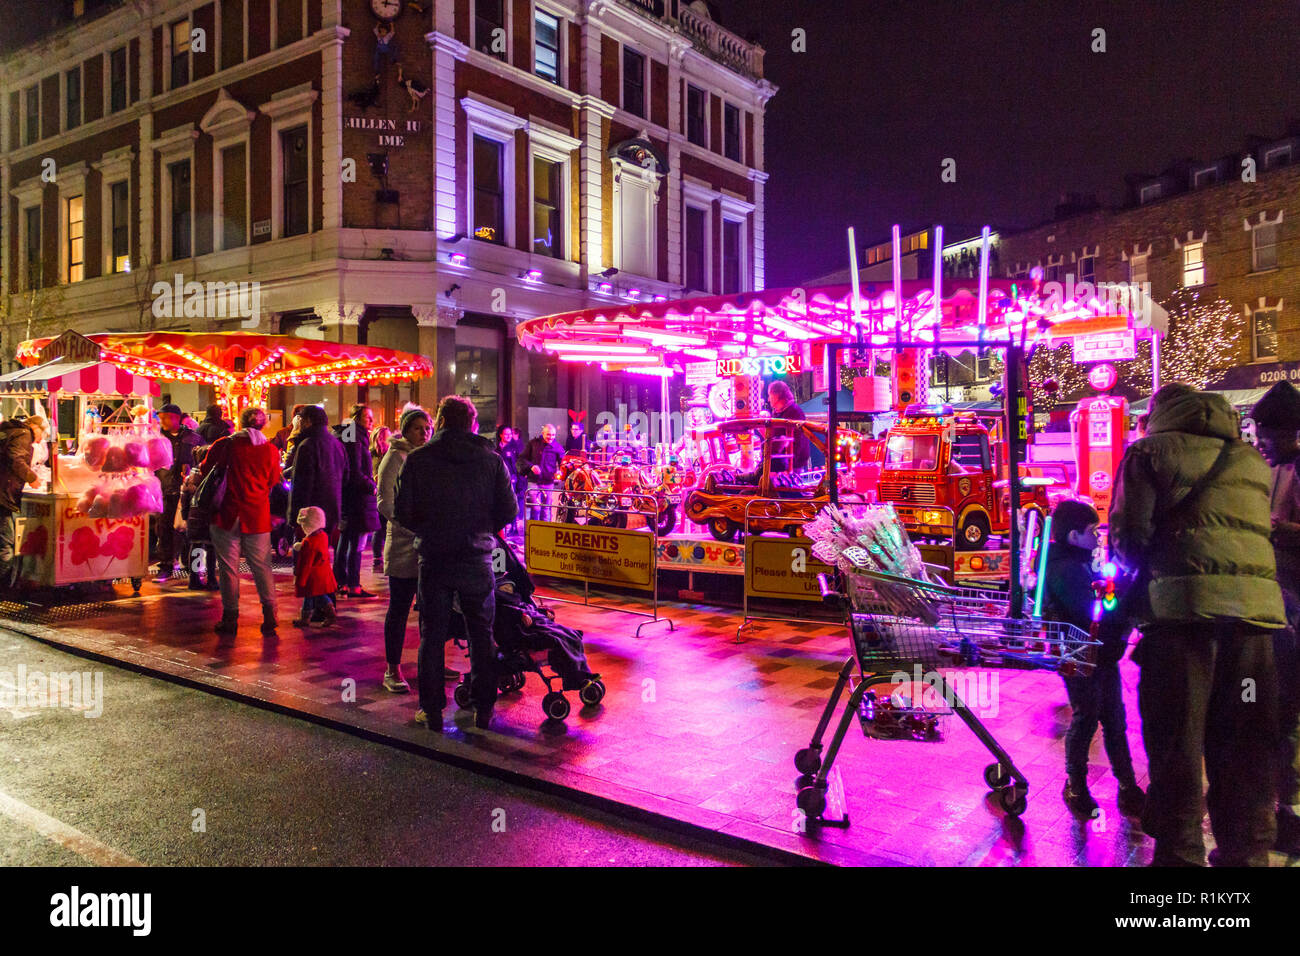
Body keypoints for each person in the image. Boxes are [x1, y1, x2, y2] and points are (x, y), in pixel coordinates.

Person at [1110, 383, 1283, 867]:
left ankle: (1180, 855)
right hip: (1251, 636)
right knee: (1244, 739)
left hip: (1183, 629)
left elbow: (1129, 538)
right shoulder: (1250, 460)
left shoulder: (1148, 453)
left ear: (1159, 416)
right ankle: (1246, 851)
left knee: (1179, 740)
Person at [395, 396, 516, 731]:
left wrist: (430, 529)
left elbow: (403, 511)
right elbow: (509, 510)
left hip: (434, 557)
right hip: (477, 557)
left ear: (441, 421)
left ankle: (431, 710)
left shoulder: (419, 460)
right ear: (471, 424)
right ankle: (484, 708)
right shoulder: (490, 460)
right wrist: (481, 529)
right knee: (481, 633)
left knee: (432, 635)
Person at [1043, 498, 1145, 819]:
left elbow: (1104, 602)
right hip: (1079, 655)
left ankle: (1127, 786)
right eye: (1092, 532)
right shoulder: (1063, 568)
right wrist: (1125, 591)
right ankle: (1075, 786)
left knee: (1115, 719)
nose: (1097, 538)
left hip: (1101, 653)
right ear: (1074, 535)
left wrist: (1113, 591)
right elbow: (1089, 610)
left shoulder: (1081, 561)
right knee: (1087, 718)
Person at [1249, 380, 1300, 855]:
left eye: (1265, 431)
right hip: (1279, 601)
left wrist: (1281, 531)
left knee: (1283, 712)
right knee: (1278, 713)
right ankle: (1283, 808)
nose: (1259, 439)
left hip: (1292, 604)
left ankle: (1288, 812)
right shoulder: (1278, 467)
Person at [199, 407, 283, 636]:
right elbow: (273, 480)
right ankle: (269, 614)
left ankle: (230, 616)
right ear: (264, 425)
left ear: (240, 421)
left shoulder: (225, 445)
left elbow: (206, 469)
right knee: (262, 567)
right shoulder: (270, 450)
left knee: (228, 568)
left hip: (226, 513)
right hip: (256, 516)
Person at [377, 406, 433, 693]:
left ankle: (431, 662)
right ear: (405, 430)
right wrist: (410, 527)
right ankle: (392, 667)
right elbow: (385, 503)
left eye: (427, 428)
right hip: (403, 544)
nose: (424, 433)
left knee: (432, 609)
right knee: (399, 607)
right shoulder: (394, 457)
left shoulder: (427, 457)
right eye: (417, 428)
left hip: (428, 544)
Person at [333, 404, 381, 598]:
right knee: (356, 541)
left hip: (347, 495)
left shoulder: (347, 434)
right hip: (357, 497)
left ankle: (342, 582)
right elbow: (355, 469)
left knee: (345, 539)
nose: (371, 421)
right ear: (356, 418)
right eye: (367, 417)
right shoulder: (354, 437)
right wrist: (371, 485)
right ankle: (353, 584)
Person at [154, 403, 203, 582]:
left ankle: (192, 566)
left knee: (190, 529)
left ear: (176, 417)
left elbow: (203, 460)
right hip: (165, 489)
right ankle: (165, 566)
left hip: (188, 491)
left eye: (166, 417)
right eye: (161, 418)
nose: (163, 421)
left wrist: (192, 467)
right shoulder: (158, 438)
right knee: (164, 528)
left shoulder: (193, 438)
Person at [286, 405, 347, 545]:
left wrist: (295, 517)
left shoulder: (306, 445)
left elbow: (301, 485)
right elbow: (345, 477)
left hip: (310, 514)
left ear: (308, 421)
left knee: (305, 555)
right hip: (331, 509)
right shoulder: (337, 444)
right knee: (322, 554)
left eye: (300, 419)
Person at [0, 415, 40, 590]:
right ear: (34, 427)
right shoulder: (24, 434)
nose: (40, 438)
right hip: (2, 495)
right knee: (6, 545)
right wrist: (31, 477)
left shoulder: (8, 432)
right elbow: (16, 459)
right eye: (42, 431)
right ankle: (3, 588)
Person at [180, 444, 220, 591]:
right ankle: (211, 578)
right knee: (210, 548)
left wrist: (185, 515)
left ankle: (194, 579)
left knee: (196, 546)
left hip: (193, 517)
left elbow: (184, 498)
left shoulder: (190, 477)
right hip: (208, 517)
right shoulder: (212, 475)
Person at [292, 506, 337, 627]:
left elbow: (307, 563)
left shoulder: (309, 542)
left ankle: (329, 614)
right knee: (312, 596)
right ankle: (306, 618)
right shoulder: (323, 536)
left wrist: (300, 580)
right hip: (322, 574)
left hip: (312, 577)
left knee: (317, 596)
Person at [519, 423, 565, 522]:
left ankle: (544, 531)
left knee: (546, 509)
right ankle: (533, 530)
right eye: (548, 434)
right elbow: (522, 458)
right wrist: (531, 466)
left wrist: (560, 471)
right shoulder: (533, 443)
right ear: (543, 433)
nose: (551, 437)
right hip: (534, 481)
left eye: (553, 435)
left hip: (548, 482)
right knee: (535, 508)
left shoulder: (557, 447)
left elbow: (563, 463)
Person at [767, 380, 810, 471]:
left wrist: (789, 462)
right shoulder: (779, 412)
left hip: (790, 464)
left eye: (769, 395)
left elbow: (797, 441)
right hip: (782, 462)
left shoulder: (794, 413)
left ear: (776, 395)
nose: (768, 399)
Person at [495, 425, 525, 534]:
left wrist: (520, 479)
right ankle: (505, 528)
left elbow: (519, 464)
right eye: (506, 434)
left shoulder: (515, 447)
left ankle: (514, 527)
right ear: (501, 435)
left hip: (514, 479)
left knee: (514, 501)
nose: (509, 436)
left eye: (510, 434)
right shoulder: (497, 449)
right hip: (501, 479)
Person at [370, 425, 392, 572]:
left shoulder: (389, 454)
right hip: (376, 495)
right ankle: (377, 560)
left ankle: (379, 559)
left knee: (382, 528)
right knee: (379, 528)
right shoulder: (374, 455)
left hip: (384, 494)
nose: (385, 440)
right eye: (383, 437)